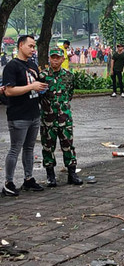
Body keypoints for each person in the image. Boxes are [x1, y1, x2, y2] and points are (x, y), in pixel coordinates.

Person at [1, 35, 48, 197]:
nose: (33, 49)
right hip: (18, 115)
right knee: (15, 148)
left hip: (34, 113)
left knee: (29, 148)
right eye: (30, 46)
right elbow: (9, 90)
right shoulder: (12, 66)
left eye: (34, 46)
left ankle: (28, 179)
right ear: (21, 45)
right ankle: (8, 182)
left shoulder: (32, 65)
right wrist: (31, 86)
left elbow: (35, 86)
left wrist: (40, 87)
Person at [39, 48, 82, 187]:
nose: (55, 60)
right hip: (48, 119)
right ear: (49, 59)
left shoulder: (68, 76)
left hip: (64, 118)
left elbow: (69, 94)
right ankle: (50, 175)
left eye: (58, 57)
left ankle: (72, 173)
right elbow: (39, 96)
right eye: (53, 57)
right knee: (47, 147)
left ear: (63, 59)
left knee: (68, 146)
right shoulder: (42, 76)